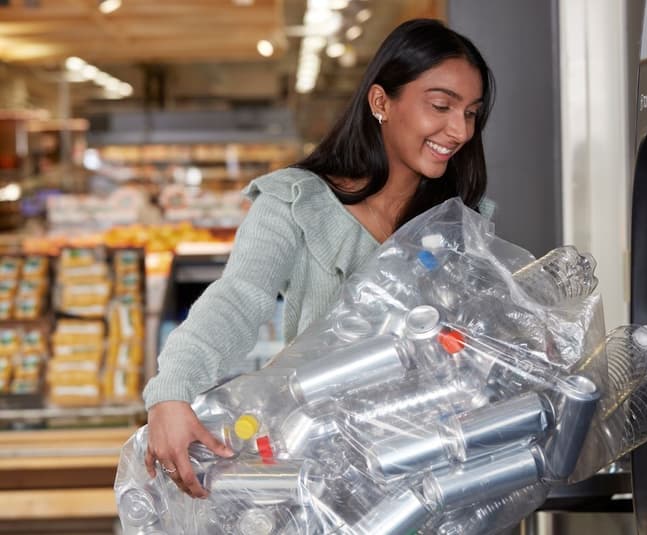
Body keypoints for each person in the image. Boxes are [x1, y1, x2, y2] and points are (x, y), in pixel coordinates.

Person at [141, 18, 495, 498]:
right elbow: (240, 296)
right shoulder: (297, 200)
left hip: (441, 473)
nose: (459, 130)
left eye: (471, 113)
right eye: (441, 106)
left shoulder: (461, 223)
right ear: (380, 102)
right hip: (327, 476)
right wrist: (172, 393)